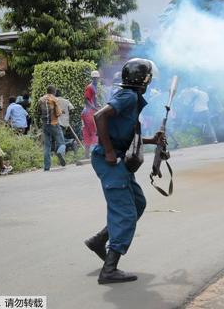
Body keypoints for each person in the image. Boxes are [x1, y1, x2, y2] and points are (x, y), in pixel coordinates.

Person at [85, 58, 164, 284]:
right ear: (145, 80)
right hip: (111, 160)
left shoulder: (131, 97)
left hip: (118, 158)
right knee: (126, 213)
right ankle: (109, 269)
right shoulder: (127, 96)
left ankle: (99, 240)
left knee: (137, 203)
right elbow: (99, 116)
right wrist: (109, 151)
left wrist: (150, 140)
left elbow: (123, 131)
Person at [38, 85, 67, 170]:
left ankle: (46, 167)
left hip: (45, 125)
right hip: (54, 124)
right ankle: (59, 153)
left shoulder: (41, 99)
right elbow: (58, 113)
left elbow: (38, 111)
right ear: (54, 91)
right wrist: (62, 112)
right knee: (61, 142)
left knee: (47, 146)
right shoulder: (55, 99)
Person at [82, 70, 101, 158]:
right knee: (94, 132)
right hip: (88, 113)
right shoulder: (90, 87)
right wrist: (94, 108)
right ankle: (95, 153)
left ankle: (87, 154)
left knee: (90, 132)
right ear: (92, 78)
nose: (96, 79)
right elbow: (86, 100)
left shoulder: (95, 87)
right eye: (94, 78)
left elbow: (92, 100)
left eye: (97, 78)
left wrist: (97, 105)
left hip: (90, 112)